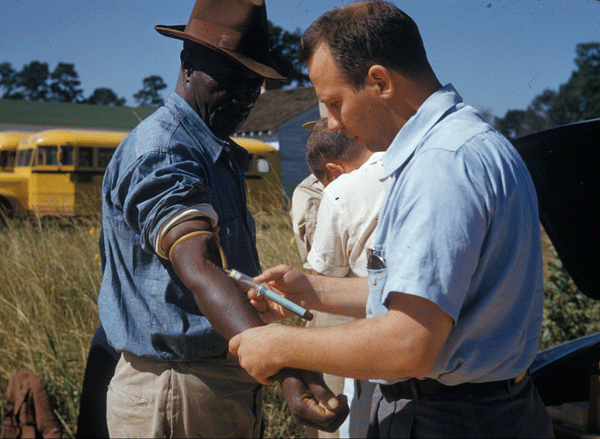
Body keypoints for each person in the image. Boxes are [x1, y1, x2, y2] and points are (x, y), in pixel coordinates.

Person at [229, 1, 554, 437]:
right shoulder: (470, 143)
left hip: (449, 421)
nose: (331, 124)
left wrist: (281, 344)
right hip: (489, 411)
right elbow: (434, 292)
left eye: (334, 102)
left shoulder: (440, 166)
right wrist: (314, 290)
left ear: (380, 81)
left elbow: (410, 342)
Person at [97, 1, 348, 437]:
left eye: (255, 85)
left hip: (215, 381)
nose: (245, 97)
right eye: (231, 79)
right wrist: (288, 367)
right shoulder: (164, 151)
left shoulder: (214, 148)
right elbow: (202, 266)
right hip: (178, 389)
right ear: (188, 64)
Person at [304, 118, 390, 438]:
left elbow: (322, 284)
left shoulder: (342, 190)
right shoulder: (415, 167)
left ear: (334, 171)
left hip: (375, 354)